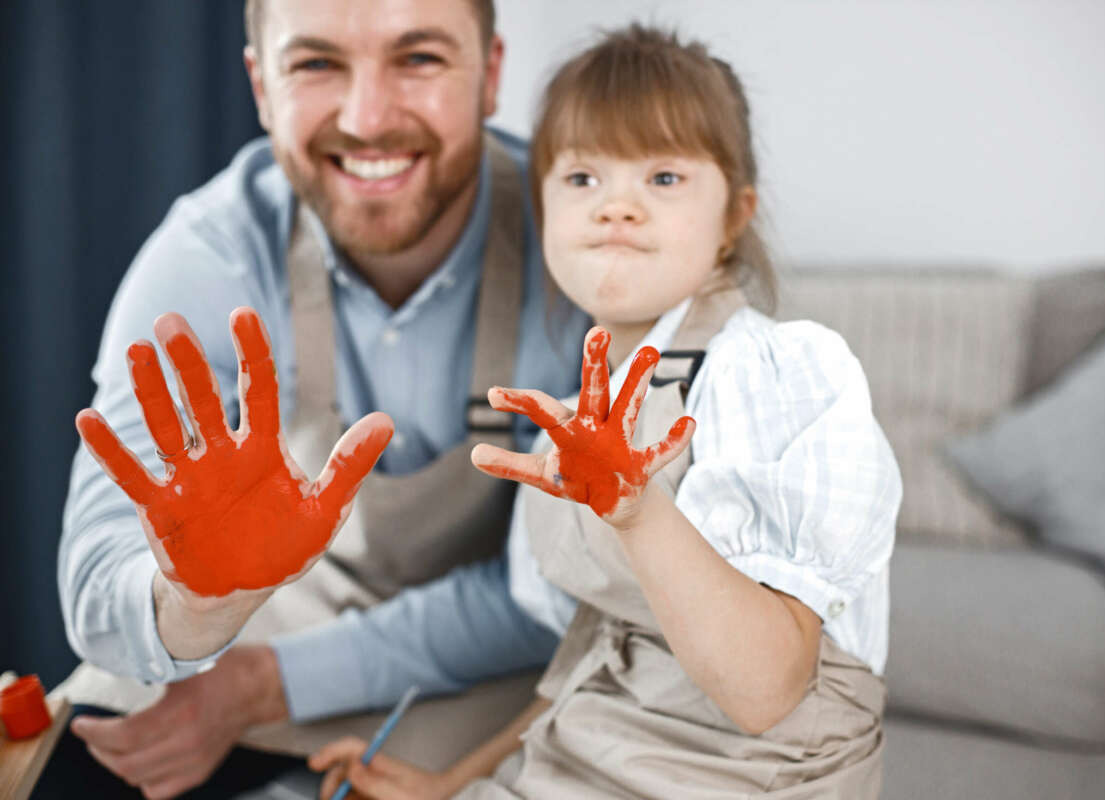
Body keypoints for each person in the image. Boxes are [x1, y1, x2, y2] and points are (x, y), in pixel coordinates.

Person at [310, 24, 903, 800]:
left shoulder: (777, 372)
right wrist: (451, 783)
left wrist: (639, 513)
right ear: (544, 209)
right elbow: (598, 655)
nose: (617, 206)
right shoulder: (576, 411)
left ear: (734, 216)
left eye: (663, 178)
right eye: (583, 178)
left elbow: (767, 693)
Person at [50, 0, 589, 797]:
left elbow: (559, 587)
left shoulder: (586, 241)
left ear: (491, 75)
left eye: (419, 59)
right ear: (260, 86)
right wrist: (194, 604)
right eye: (315, 63)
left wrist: (265, 685)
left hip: (492, 669)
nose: (368, 118)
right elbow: (99, 588)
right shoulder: (208, 254)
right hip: (245, 631)